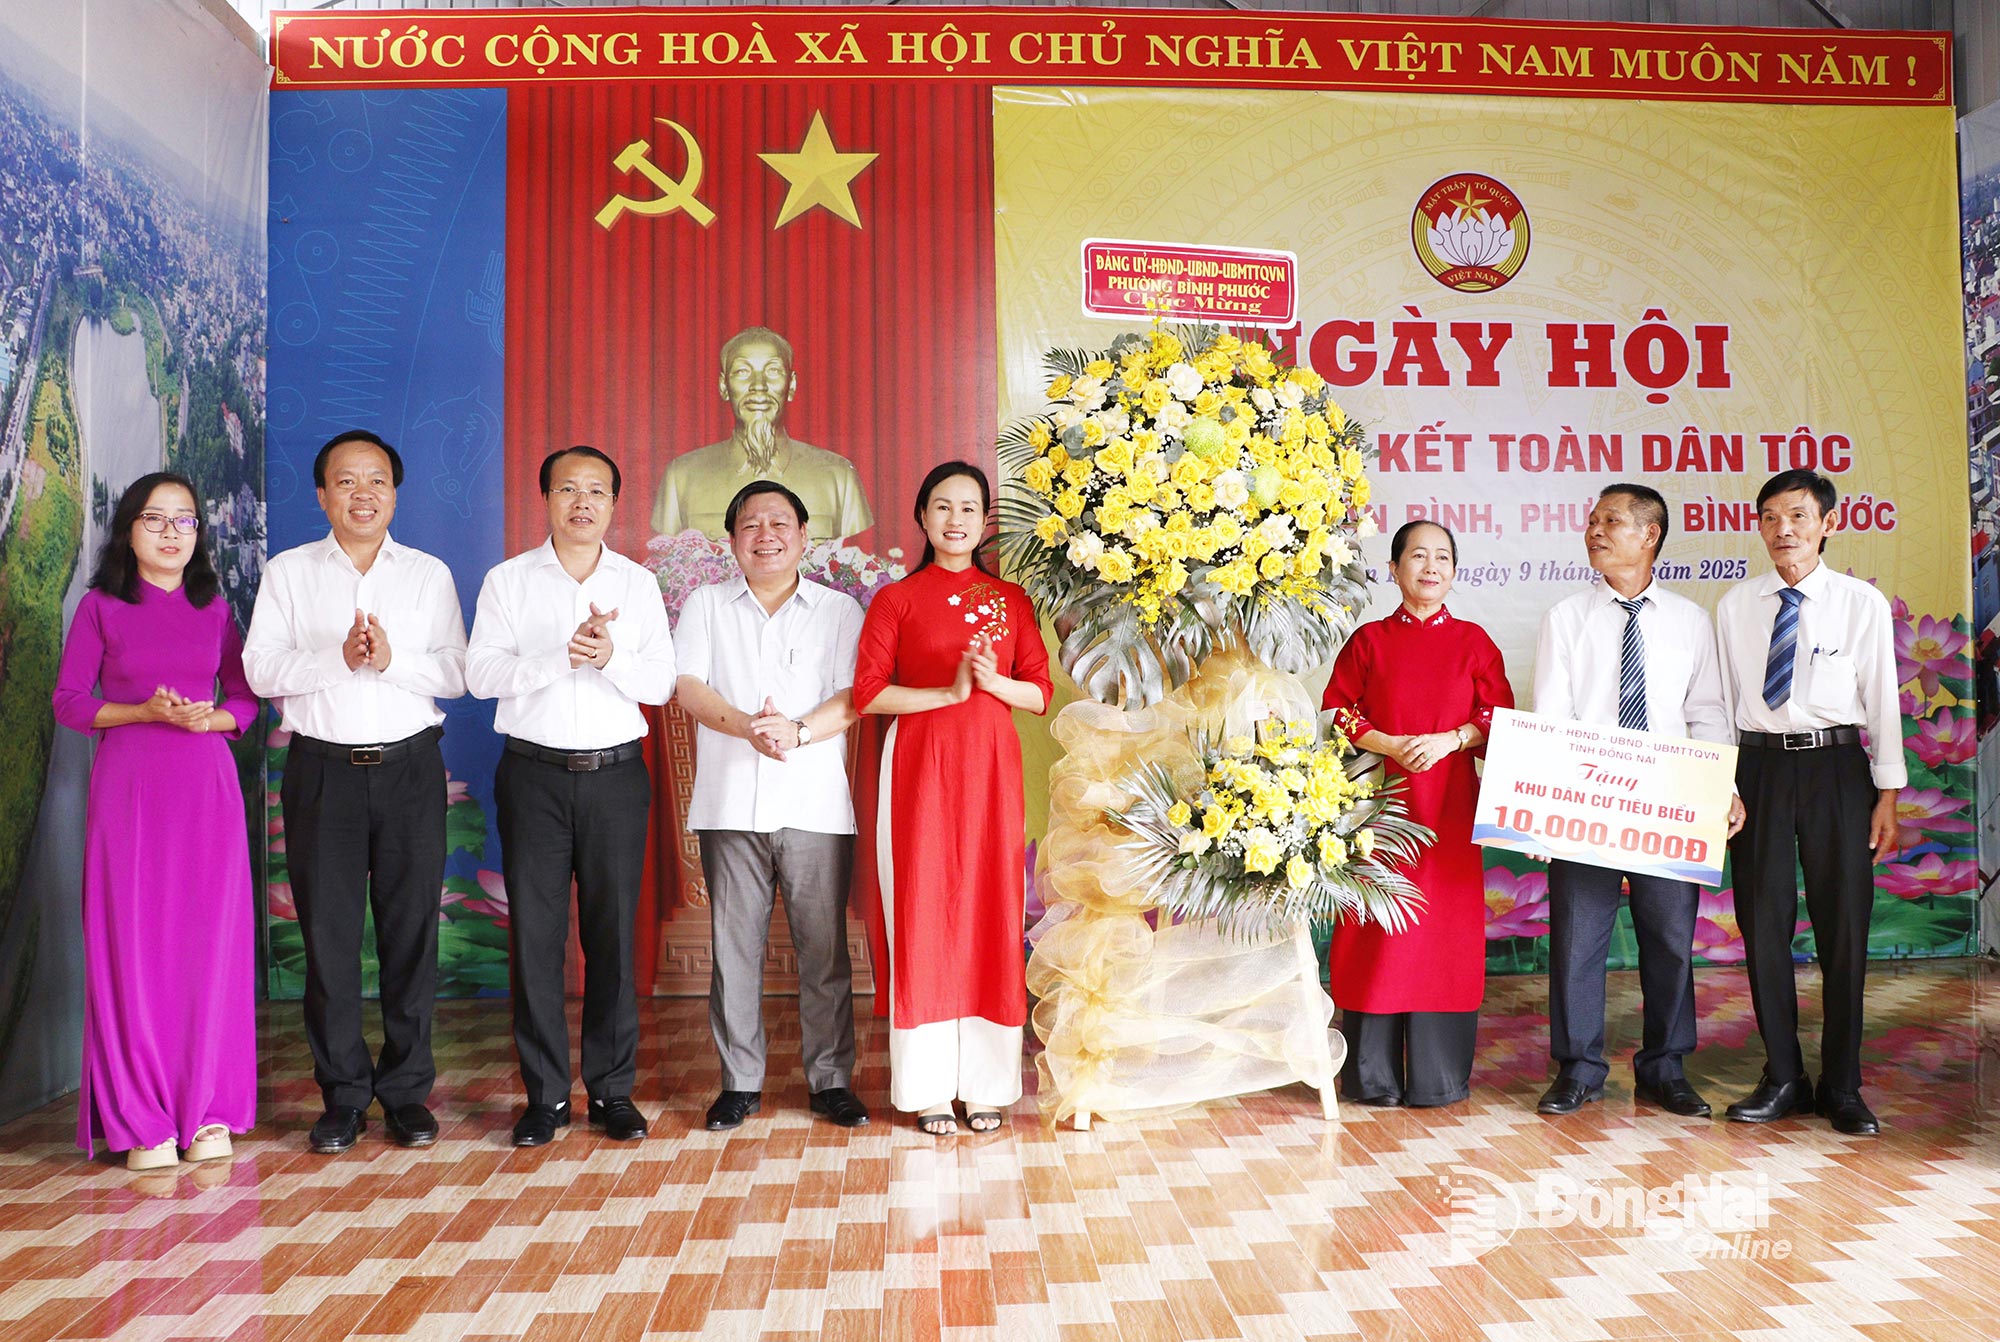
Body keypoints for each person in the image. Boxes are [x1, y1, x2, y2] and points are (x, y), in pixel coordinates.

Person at [244, 431, 467, 1155]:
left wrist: (392, 660)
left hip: (409, 769)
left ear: (395, 494)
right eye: (346, 481)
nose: (362, 493)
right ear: (322, 495)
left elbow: (456, 673)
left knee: (411, 935)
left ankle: (406, 1093)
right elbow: (259, 670)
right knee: (329, 939)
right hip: (321, 773)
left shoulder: (428, 574)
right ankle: (342, 1097)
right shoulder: (288, 573)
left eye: (376, 480)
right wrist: (336, 659)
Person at [467, 446, 677, 1147]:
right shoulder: (508, 582)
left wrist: (609, 657)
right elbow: (480, 675)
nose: (582, 502)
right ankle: (546, 1096)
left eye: (596, 491)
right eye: (567, 489)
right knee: (536, 935)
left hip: (616, 777)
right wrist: (562, 656)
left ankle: (612, 1091)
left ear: (614, 503)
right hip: (534, 778)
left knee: (613, 935)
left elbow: (661, 684)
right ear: (546, 499)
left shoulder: (638, 585)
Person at [52, 472, 259, 1170]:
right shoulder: (100, 608)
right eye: (155, 518)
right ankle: (142, 1120)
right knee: (133, 945)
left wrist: (213, 718)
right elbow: (70, 701)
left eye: (186, 520)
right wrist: (142, 711)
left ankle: (209, 1111)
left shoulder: (215, 610)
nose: (172, 532)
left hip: (206, 789)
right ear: (128, 529)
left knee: (208, 944)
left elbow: (246, 698)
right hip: (130, 788)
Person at [851, 461, 1050, 1135]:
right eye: (942, 506)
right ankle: (929, 1089)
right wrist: (948, 691)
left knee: (992, 910)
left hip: (990, 770)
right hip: (920, 768)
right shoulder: (896, 601)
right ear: (922, 516)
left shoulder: (1011, 600)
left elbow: (1038, 692)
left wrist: (992, 684)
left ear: (985, 519)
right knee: (924, 912)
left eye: (968, 507)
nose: (955, 519)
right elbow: (869, 694)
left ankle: (987, 1086)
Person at [1531, 484, 1738, 1118]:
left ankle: (1665, 1068)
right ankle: (1578, 1068)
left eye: (1611, 521)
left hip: (1669, 801)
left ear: (1650, 535)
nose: (1594, 530)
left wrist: (1723, 789)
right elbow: (1552, 716)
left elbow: (1707, 714)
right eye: (1592, 520)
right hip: (1586, 801)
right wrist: (1545, 810)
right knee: (1578, 939)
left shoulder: (1689, 620)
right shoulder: (1567, 617)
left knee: (1671, 938)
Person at [673, 480, 868, 1131]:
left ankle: (830, 1081)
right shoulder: (706, 604)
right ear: (731, 540)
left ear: (804, 536)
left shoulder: (838, 610)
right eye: (751, 525)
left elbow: (852, 696)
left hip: (815, 806)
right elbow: (688, 685)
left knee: (823, 953)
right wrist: (747, 728)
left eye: (780, 523)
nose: (766, 535)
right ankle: (740, 1083)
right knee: (733, 951)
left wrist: (798, 732)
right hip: (730, 803)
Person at [1715, 469, 1903, 1136]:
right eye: (1770, 517)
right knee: (1762, 922)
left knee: (1843, 924)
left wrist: (1887, 794)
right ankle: (1784, 1076)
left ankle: (1843, 1084)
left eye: (1797, 515)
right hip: (1759, 769)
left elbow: (1882, 699)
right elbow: (1721, 703)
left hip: (1837, 769)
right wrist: (1724, 783)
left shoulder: (1859, 603)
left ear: (1828, 523)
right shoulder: (1736, 605)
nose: (1783, 529)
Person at [1320, 520, 1512, 1108]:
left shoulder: (1474, 642)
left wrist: (1453, 739)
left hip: (1450, 810)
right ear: (1394, 569)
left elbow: (1499, 718)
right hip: (1378, 808)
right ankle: (1371, 1076)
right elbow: (1337, 711)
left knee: (1442, 933)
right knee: (1377, 932)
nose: (1431, 567)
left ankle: (1438, 1077)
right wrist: (1388, 743)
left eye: (1443, 557)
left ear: (1454, 571)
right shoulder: (1369, 641)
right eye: (1418, 556)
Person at [651, 326, 873, 542]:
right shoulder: (681, 477)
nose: (759, 386)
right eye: (742, 372)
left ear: (791, 385)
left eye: (773, 371)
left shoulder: (838, 477)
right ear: (723, 386)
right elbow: (663, 559)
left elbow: (858, 557)